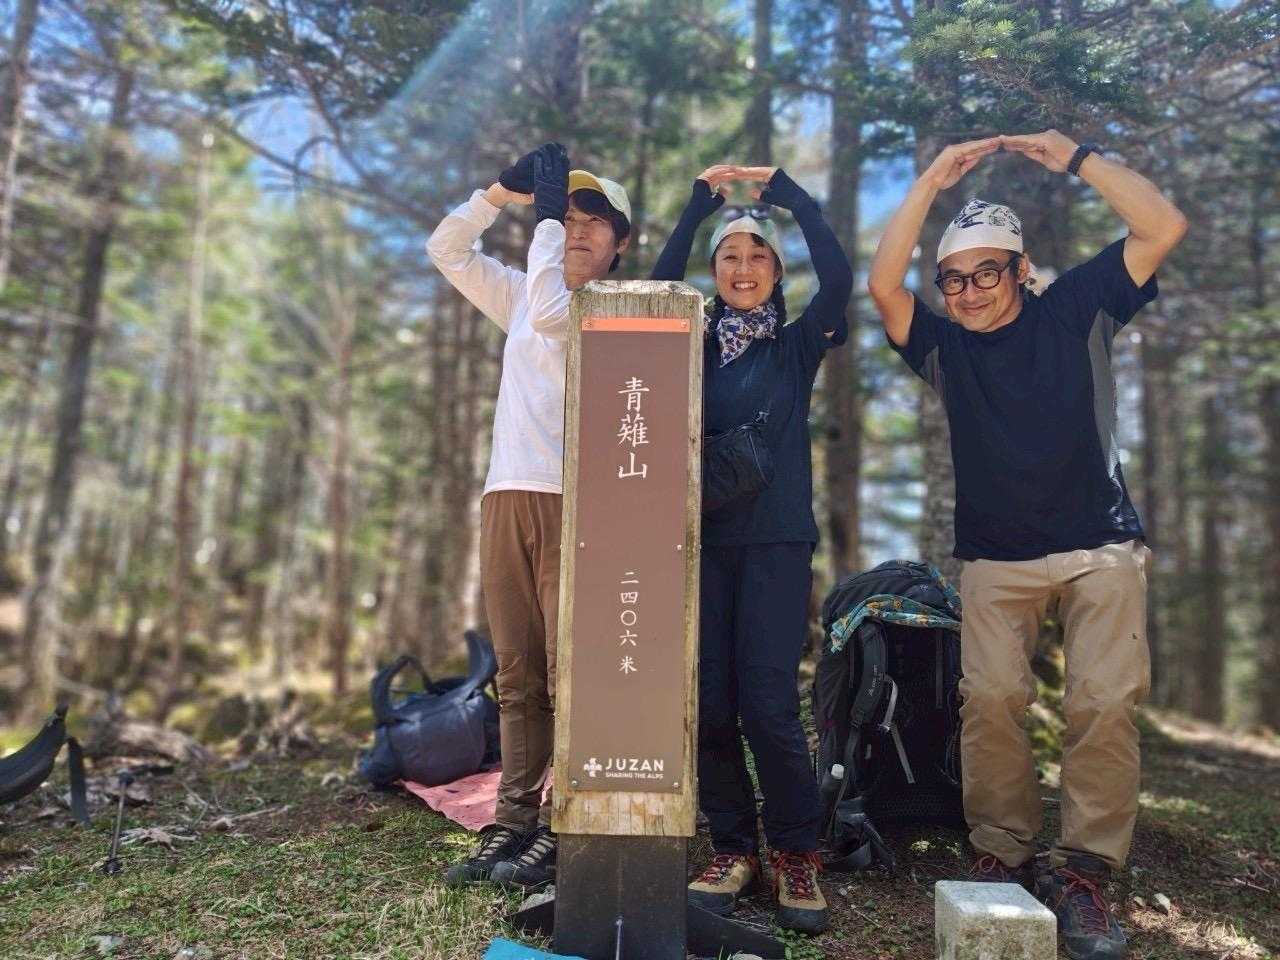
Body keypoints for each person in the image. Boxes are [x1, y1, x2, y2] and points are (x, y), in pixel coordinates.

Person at [867, 130, 1187, 960]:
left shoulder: (1077, 308)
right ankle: (1002, 853)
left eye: (987, 273)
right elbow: (884, 286)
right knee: (992, 700)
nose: (969, 291)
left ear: (1020, 270)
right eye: (954, 278)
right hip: (995, 557)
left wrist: (1077, 158)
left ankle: (1084, 870)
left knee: (1102, 703)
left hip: (1099, 544)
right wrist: (930, 180)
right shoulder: (944, 349)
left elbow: (1162, 227)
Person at [650, 164, 852, 934]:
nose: (742, 268)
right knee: (710, 701)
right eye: (729, 257)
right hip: (700, 542)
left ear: (775, 272)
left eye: (757, 257)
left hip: (775, 544)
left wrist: (791, 197)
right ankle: (733, 847)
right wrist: (698, 207)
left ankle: (796, 851)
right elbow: (656, 292)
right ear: (715, 271)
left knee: (767, 702)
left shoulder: (798, 347)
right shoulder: (690, 346)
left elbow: (838, 277)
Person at [426, 143, 632, 890]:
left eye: (593, 220)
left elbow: (550, 312)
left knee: (568, 671)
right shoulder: (520, 291)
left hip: (576, 503)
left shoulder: (613, 310)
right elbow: (446, 249)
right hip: (507, 495)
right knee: (515, 672)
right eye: (567, 215)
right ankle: (512, 820)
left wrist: (541, 221)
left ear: (620, 244)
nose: (575, 229)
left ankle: (560, 822)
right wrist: (496, 194)